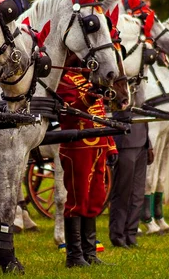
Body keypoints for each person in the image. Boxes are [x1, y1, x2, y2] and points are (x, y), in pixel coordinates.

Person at [56, 53, 118, 268]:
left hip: (98, 147)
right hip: (78, 148)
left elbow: (101, 115)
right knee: (77, 200)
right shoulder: (63, 80)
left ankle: (89, 253)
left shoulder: (88, 79)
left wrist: (110, 145)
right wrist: (88, 98)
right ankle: (74, 256)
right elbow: (67, 115)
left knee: (95, 199)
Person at [109, 88, 154, 248]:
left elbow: (143, 113)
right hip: (125, 141)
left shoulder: (139, 82)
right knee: (123, 192)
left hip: (141, 142)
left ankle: (131, 234)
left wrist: (149, 145)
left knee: (137, 194)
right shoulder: (121, 82)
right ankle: (118, 235)